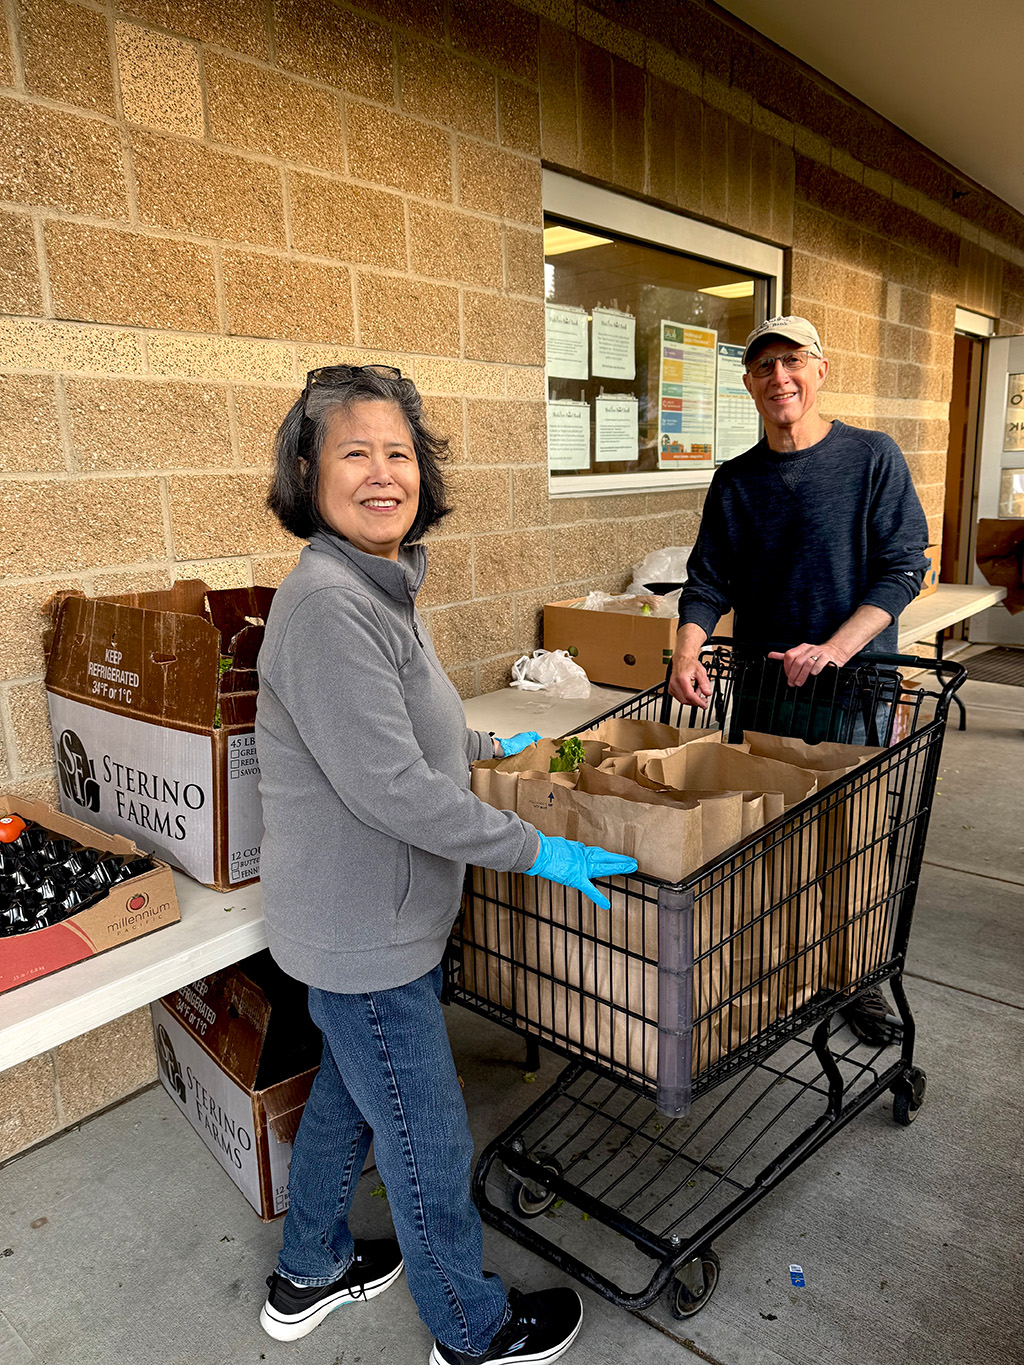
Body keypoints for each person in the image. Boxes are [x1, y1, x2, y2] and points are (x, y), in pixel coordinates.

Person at [254, 363, 636, 1365]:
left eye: (399, 453)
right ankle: (471, 1329)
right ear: (308, 470)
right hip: (366, 933)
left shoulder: (376, 583)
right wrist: (533, 849)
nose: (384, 473)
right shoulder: (333, 606)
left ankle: (309, 1269)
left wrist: (485, 747)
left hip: (359, 924)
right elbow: (390, 788)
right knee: (425, 1138)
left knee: (345, 1094)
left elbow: (403, 726)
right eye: (355, 452)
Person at [669, 315, 929, 1041]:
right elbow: (706, 582)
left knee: (853, 842)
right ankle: (780, 970)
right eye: (762, 367)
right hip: (761, 693)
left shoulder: (872, 458)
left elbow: (904, 566)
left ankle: (859, 978)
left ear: (819, 369)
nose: (778, 377)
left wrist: (836, 648)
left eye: (791, 361)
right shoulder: (736, 481)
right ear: (748, 383)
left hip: (853, 694)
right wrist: (687, 652)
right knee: (770, 844)